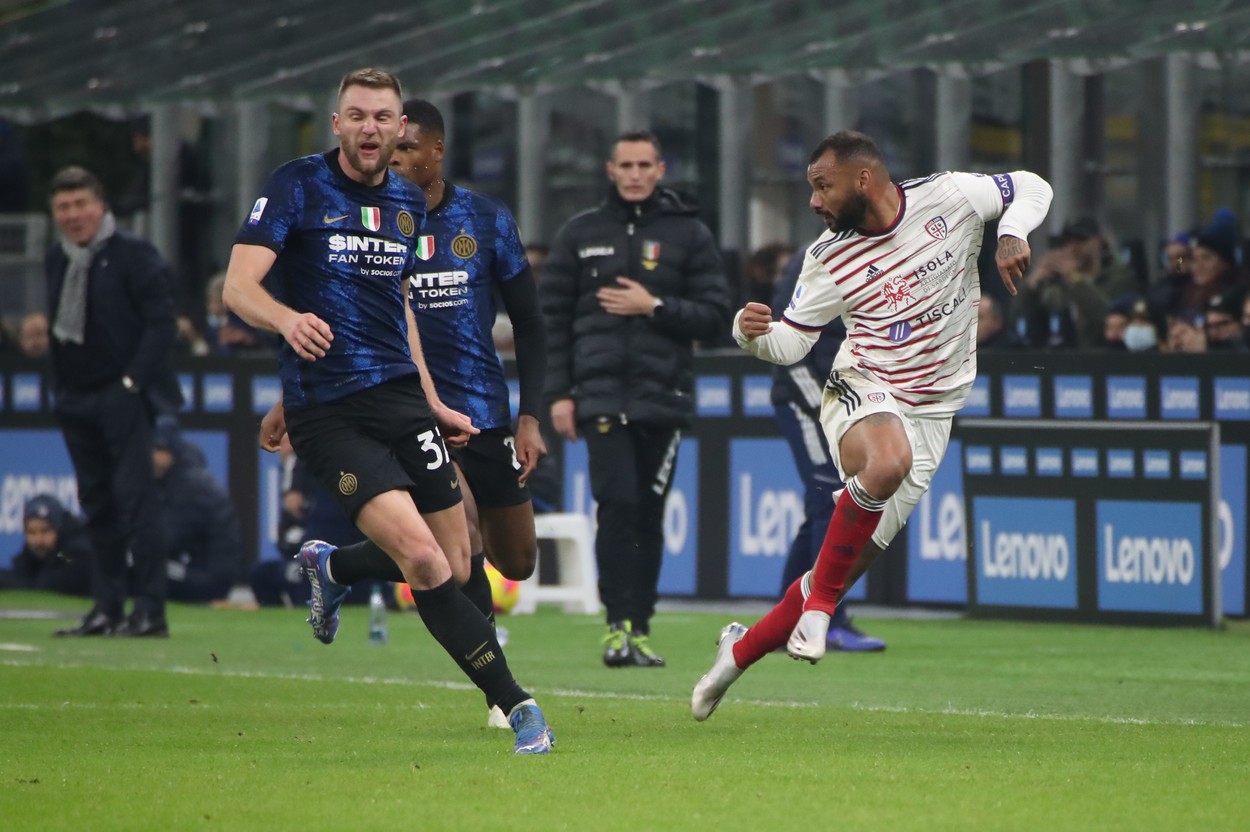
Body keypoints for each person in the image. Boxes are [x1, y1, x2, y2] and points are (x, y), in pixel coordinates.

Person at [222, 67, 553, 754]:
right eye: (356, 115)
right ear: (337, 123)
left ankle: (334, 567)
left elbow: (396, 310)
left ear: (400, 128)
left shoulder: (406, 203)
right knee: (427, 565)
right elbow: (238, 286)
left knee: (462, 564)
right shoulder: (297, 185)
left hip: (404, 399)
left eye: (382, 117)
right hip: (330, 411)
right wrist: (286, 323)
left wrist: (433, 401)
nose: (369, 128)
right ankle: (517, 707)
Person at [692, 131, 1051, 720]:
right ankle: (821, 614)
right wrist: (746, 333)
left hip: (934, 411)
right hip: (863, 387)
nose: (814, 201)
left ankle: (738, 653)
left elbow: (1033, 186)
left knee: (839, 565)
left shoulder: (951, 196)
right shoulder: (828, 256)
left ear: (863, 179)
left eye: (821, 186)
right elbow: (790, 345)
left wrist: (1012, 230)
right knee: (886, 463)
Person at [541, 129, 733, 667]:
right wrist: (558, 394)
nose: (634, 174)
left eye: (644, 164)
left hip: (662, 398)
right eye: (624, 164)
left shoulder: (689, 233)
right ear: (609, 170)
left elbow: (717, 315)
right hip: (600, 398)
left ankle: (641, 628)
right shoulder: (580, 232)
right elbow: (550, 321)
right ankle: (615, 626)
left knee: (648, 513)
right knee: (618, 504)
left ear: (660, 170)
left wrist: (655, 305)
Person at [388, 97, 548, 591]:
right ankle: (486, 660)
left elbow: (529, 321)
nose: (395, 159)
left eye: (408, 148)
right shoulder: (372, 222)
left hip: (484, 412)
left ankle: (335, 563)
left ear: (437, 151)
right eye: (391, 149)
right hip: (416, 413)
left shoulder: (485, 219)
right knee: (463, 535)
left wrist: (529, 416)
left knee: (518, 562)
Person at [45, 165, 182, 638]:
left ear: (100, 206)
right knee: (96, 505)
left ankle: (150, 610)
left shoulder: (134, 254)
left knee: (135, 503)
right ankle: (105, 607)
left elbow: (162, 322)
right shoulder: (57, 258)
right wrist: (60, 391)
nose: (74, 215)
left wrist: (131, 384)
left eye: (81, 204)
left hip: (121, 397)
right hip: (76, 398)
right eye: (64, 207)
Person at [769, 246, 884, 652]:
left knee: (822, 505)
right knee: (830, 499)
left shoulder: (888, 252)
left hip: (848, 406)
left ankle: (785, 618)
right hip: (808, 404)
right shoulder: (813, 258)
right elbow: (784, 344)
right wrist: (824, 409)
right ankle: (827, 617)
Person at [1012, 217, 1137, 349]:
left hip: (1101, 356)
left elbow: (1108, 319)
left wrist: (1075, 279)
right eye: (1068, 241)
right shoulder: (1056, 283)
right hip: (1060, 359)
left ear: (1099, 241)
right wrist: (1033, 284)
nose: (1073, 246)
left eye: (1081, 239)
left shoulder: (1120, 277)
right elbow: (1016, 319)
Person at [151, 424, 242, 603]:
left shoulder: (190, 485)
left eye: (156, 450)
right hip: (195, 567)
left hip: (210, 578)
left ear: (169, 452)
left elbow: (168, 538)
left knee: (146, 566)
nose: (150, 457)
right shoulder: (175, 479)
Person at [0, 495, 93, 597]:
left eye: (45, 531)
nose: (39, 540)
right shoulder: (34, 552)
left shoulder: (74, 551)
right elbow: (21, 573)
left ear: (59, 529)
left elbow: (48, 584)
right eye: (32, 532)